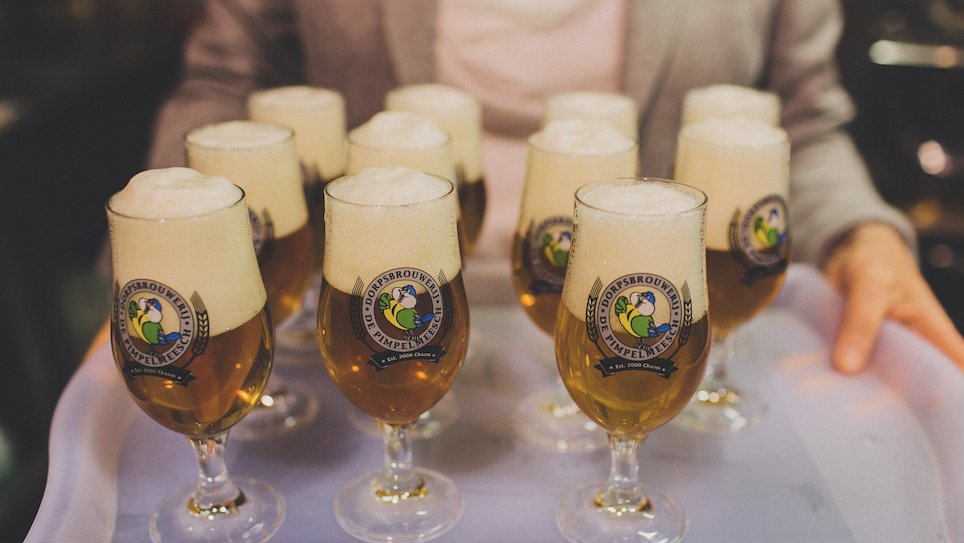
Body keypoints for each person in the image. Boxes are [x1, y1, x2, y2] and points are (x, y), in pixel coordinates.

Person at [145, 0, 964, 373]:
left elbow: (804, 125)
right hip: (375, 331)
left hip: (647, 339)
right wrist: (154, 261)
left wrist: (863, 234)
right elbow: (223, 91)